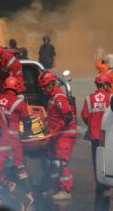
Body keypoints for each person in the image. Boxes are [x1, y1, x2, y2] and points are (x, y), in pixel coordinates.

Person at [0, 77, 34, 206]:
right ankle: (28, 194)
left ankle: (4, 195)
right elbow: (27, 122)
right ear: (16, 88)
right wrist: (27, 133)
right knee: (19, 167)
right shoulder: (20, 103)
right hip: (13, 140)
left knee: (0, 167)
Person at [38, 71, 77, 200]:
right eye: (42, 87)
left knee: (60, 162)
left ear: (52, 84)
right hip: (55, 134)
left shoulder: (59, 97)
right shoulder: (51, 98)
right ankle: (55, 188)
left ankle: (65, 190)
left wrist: (55, 130)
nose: (43, 89)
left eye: (45, 86)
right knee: (52, 162)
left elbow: (68, 116)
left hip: (65, 134)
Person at [81, 72, 111, 193]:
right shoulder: (111, 97)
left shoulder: (89, 99)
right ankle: (107, 183)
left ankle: (99, 184)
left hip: (95, 136)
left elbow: (84, 115)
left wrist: (91, 124)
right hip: (108, 136)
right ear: (105, 85)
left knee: (96, 160)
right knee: (107, 159)